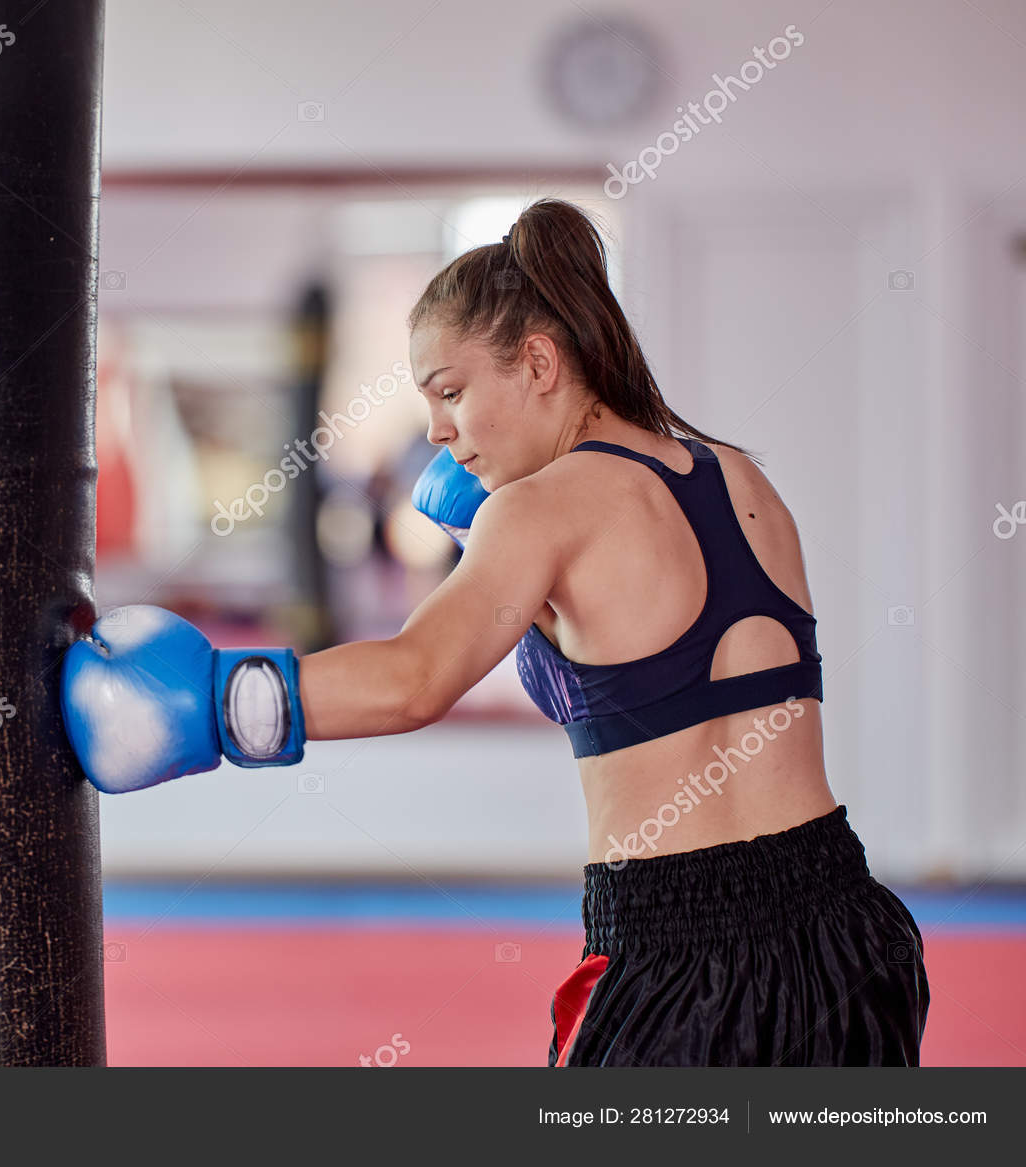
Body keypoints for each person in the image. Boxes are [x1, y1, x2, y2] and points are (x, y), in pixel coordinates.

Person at [61, 198, 928, 1067]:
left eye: (452, 391)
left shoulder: (538, 510)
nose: (437, 431)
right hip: (846, 928)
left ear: (541, 362)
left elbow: (413, 679)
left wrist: (208, 702)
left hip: (681, 957)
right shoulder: (737, 474)